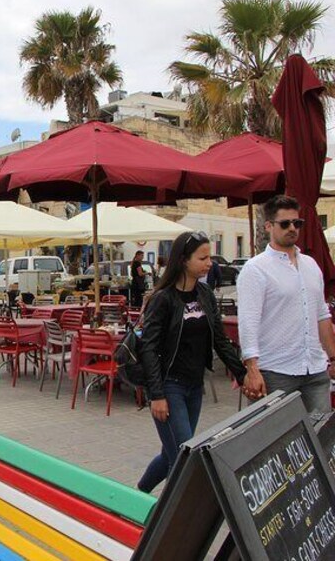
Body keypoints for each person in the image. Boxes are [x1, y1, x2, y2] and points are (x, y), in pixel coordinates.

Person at [137, 231, 246, 493]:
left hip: (195, 388)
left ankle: (137, 495)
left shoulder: (205, 294)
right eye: (203, 257)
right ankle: (167, 524)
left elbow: (220, 340)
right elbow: (148, 348)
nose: (210, 263)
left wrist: (243, 374)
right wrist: (157, 395)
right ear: (184, 260)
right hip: (169, 387)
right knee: (184, 461)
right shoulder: (163, 299)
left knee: (172, 454)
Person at [237, 195, 335, 415]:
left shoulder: (311, 265)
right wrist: (252, 369)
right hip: (275, 370)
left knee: (323, 439)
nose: (292, 228)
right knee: (271, 440)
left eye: (297, 223)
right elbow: (248, 322)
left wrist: (333, 357)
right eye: (285, 224)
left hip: (315, 368)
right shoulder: (256, 269)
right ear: (269, 226)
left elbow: (321, 315)